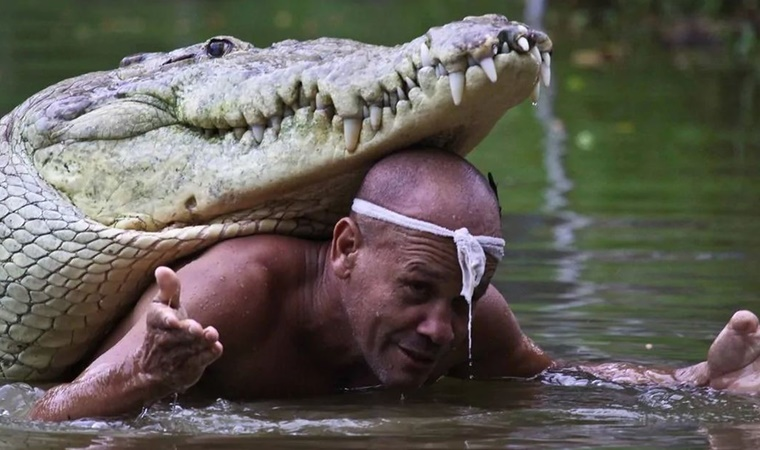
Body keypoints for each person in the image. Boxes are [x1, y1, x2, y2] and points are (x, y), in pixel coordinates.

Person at [28, 148, 760, 421]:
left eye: (462, 302)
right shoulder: (236, 294)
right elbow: (47, 419)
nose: (442, 330)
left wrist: (694, 381)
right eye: (416, 290)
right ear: (345, 247)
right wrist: (144, 377)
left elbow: (561, 381)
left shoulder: (467, 314)